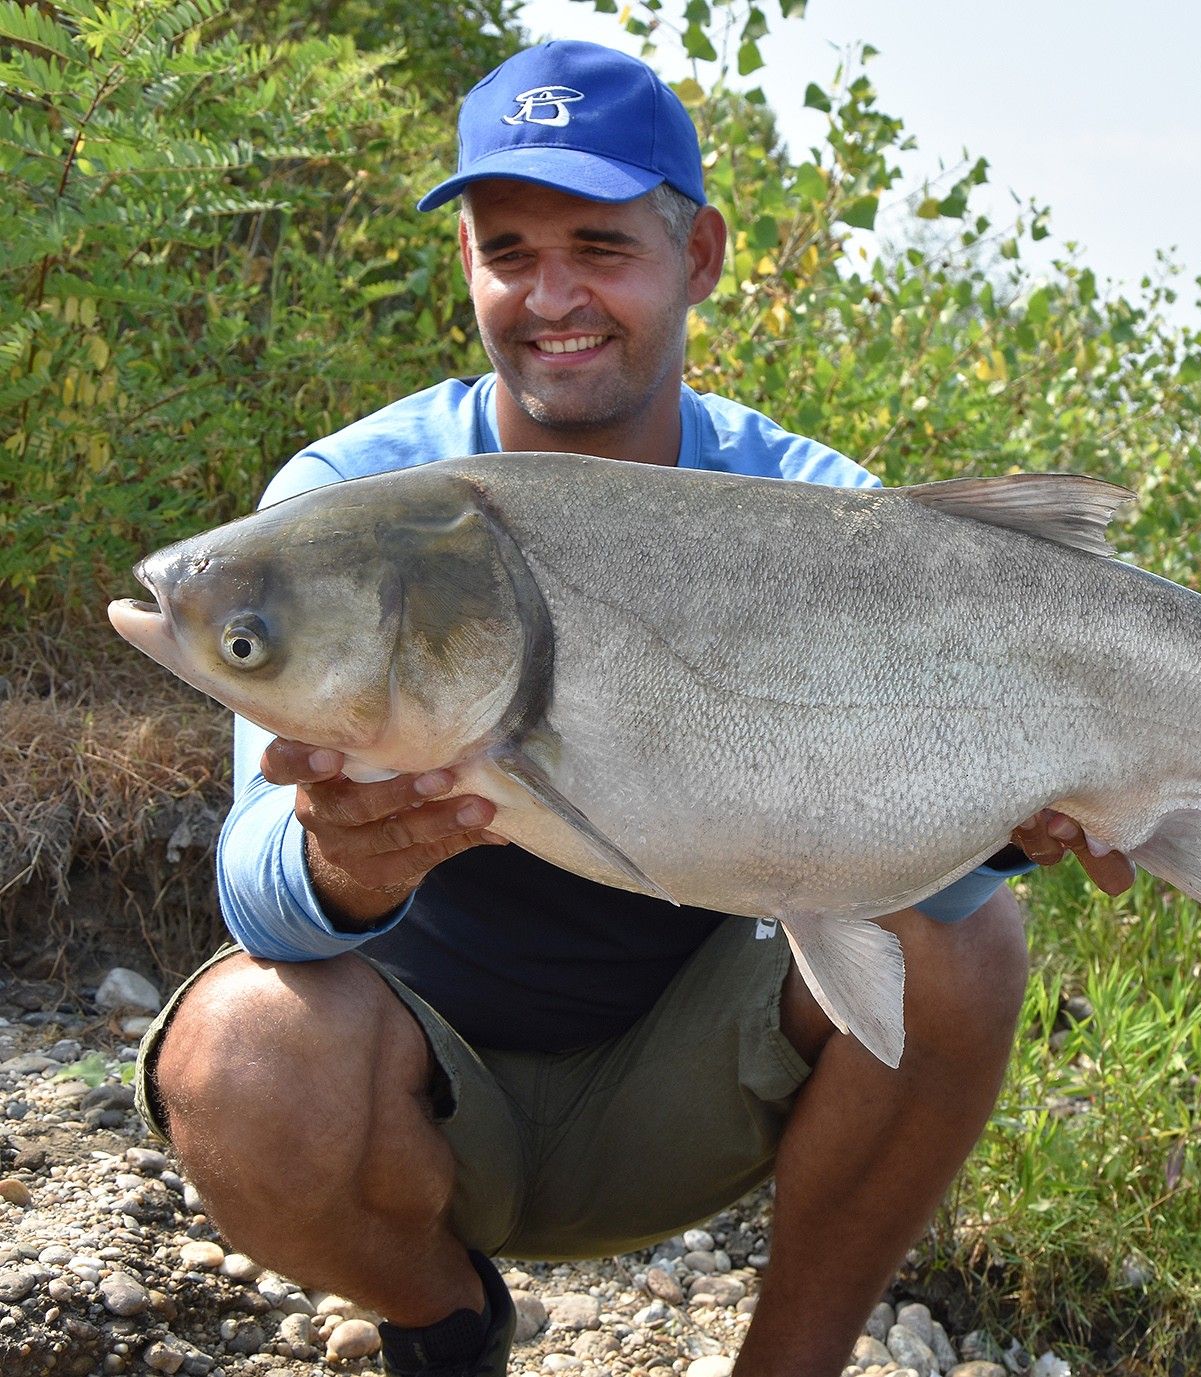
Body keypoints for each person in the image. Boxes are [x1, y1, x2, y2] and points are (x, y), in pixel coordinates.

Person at [134, 40, 1133, 1377]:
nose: (552, 297)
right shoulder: (349, 506)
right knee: (238, 1052)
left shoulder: (811, 508)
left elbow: (916, 862)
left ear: (700, 256)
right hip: (422, 1088)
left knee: (975, 939)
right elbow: (252, 888)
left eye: (600, 247)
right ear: (470, 267)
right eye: (508, 250)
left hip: (692, 1087)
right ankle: (441, 1320)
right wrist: (334, 861)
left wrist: (1008, 824)